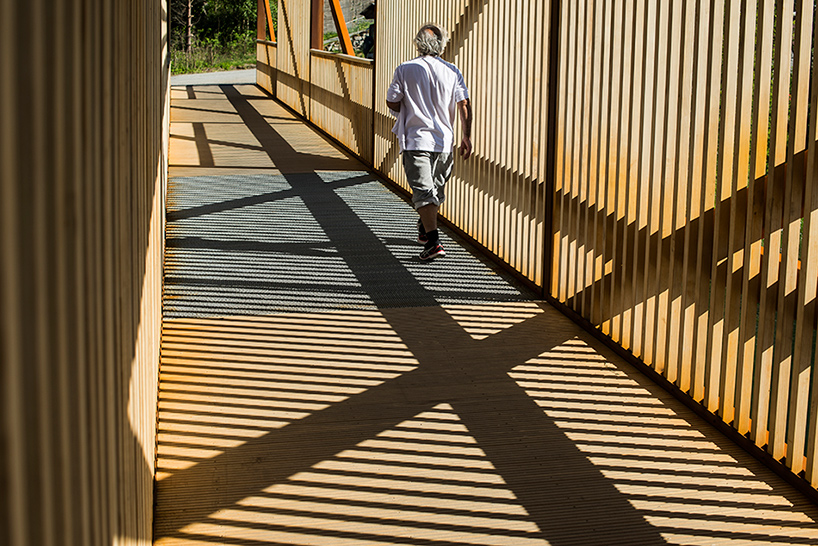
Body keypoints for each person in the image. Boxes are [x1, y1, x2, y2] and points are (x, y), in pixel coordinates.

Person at [386, 23, 473, 261]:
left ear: (417, 43)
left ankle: (432, 242)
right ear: (442, 45)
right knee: (435, 190)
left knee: (425, 192)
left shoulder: (405, 69)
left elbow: (392, 101)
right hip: (445, 141)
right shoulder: (452, 70)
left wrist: (408, 105)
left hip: (416, 139)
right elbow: (464, 104)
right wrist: (466, 136)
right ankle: (427, 231)